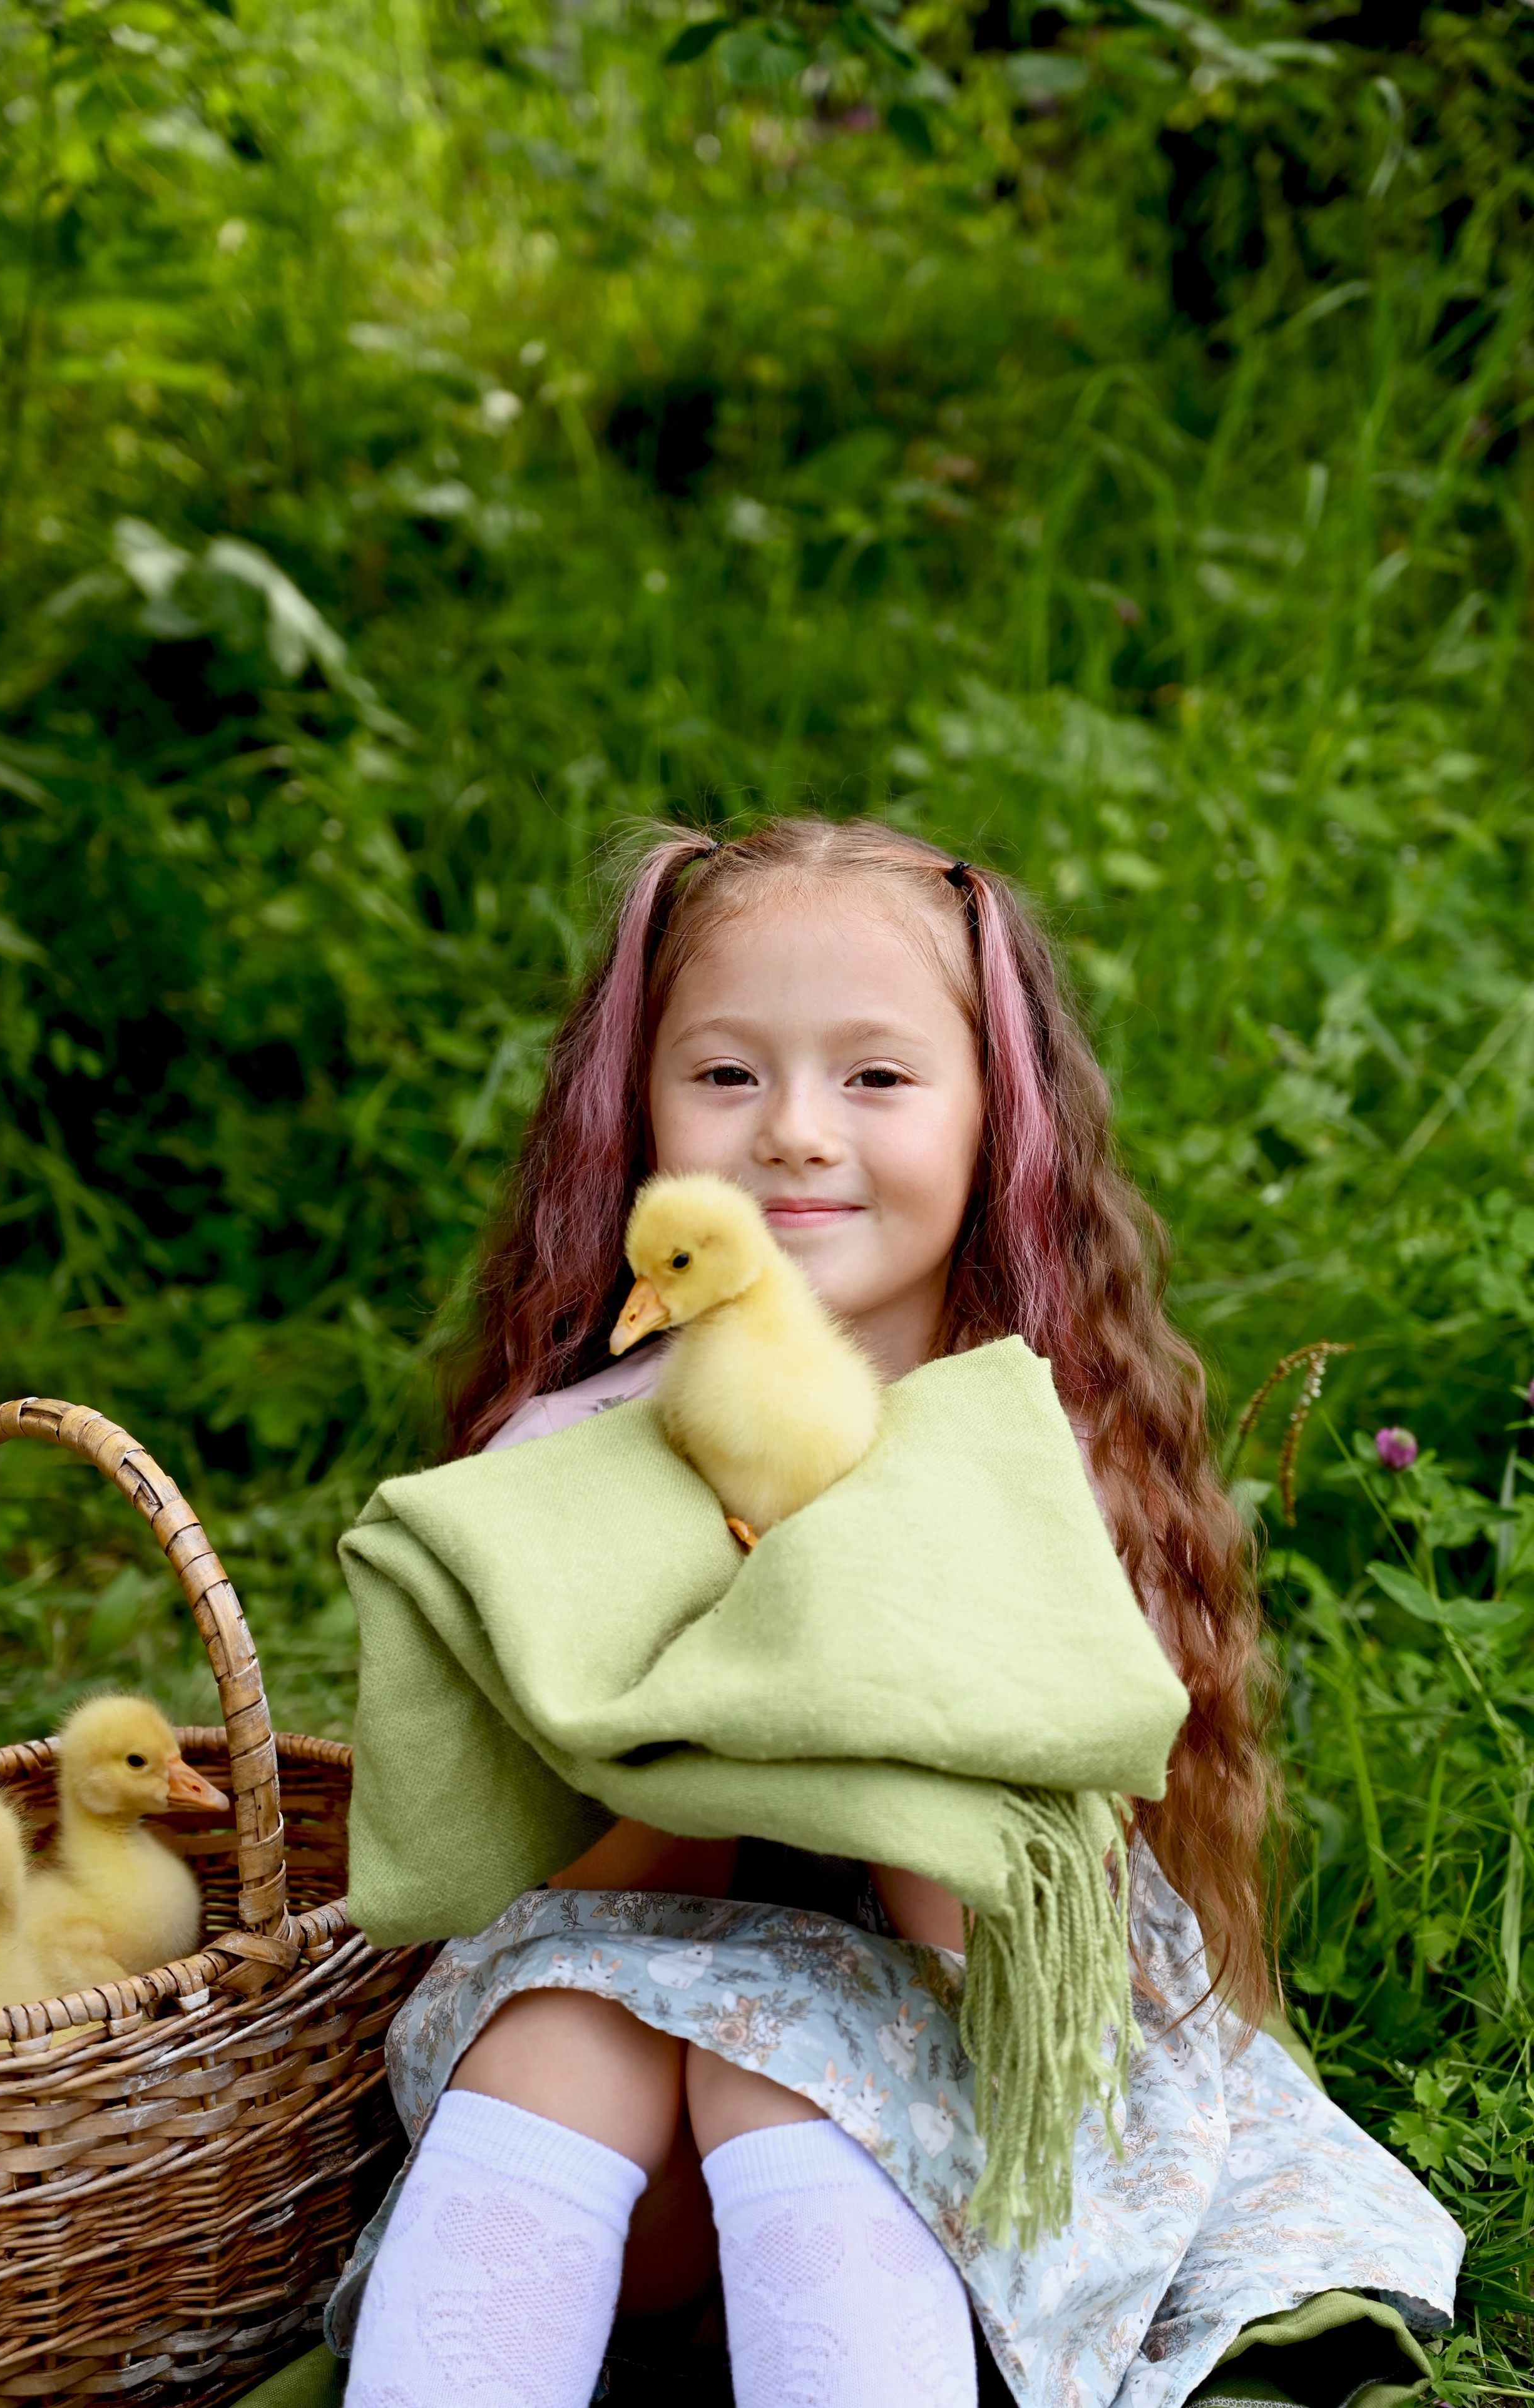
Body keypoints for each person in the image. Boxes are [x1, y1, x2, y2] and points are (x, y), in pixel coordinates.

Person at [330, 819, 1461, 2408]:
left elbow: (982, 1942)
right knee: (562, 2025)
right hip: (631, 2072)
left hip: (967, 2097)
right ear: (636, 1111)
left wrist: (866, 1664)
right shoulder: (578, 1462)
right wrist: (712, 1713)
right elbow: (541, 1873)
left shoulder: (1030, 1458)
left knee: (776, 2066)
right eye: (724, 1075)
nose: (794, 1132)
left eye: (875, 1077)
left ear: (994, 1116)